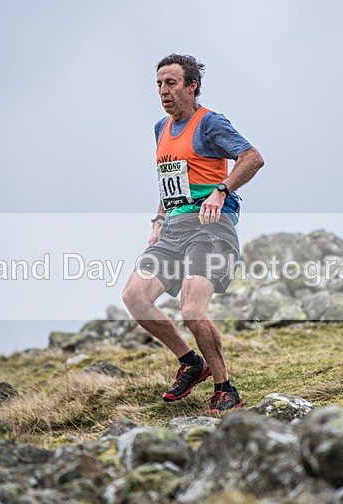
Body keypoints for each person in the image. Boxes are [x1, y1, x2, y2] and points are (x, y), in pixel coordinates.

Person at [122, 54, 264, 415]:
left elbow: (251, 157)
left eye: (170, 83)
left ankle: (225, 387)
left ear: (191, 86)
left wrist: (222, 190)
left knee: (191, 309)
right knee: (135, 296)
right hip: (173, 229)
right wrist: (158, 220)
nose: (163, 91)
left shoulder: (210, 123)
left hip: (210, 228)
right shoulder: (160, 128)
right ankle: (190, 363)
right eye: (158, 84)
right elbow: (170, 179)